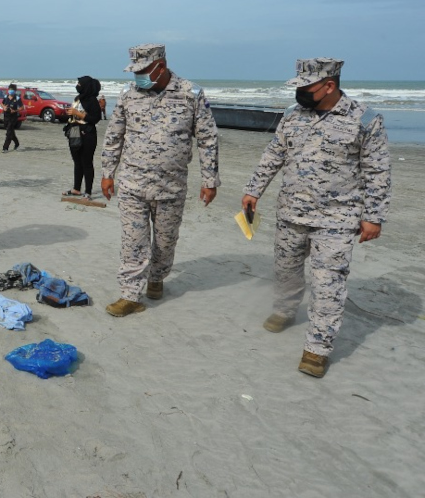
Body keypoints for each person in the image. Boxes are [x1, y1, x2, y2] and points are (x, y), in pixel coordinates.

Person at [241, 58, 391, 378]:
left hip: (337, 219)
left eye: (305, 87)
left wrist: (373, 216)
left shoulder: (364, 120)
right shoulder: (293, 116)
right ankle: (285, 309)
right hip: (291, 212)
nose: (299, 93)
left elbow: (377, 172)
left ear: (329, 86)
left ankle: (317, 348)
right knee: (286, 269)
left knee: (327, 284)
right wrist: (254, 189)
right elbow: (274, 154)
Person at [100, 44, 220, 316]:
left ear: (161, 66)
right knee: (133, 241)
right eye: (135, 71)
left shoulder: (191, 94)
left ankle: (157, 277)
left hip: (171, 186)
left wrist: (210, 179)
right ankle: (130, 294)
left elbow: (207, 139)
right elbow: (114, 136)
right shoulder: (129, 96)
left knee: (165, 241)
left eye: (142, 71)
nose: (137, 77)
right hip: (132, 183)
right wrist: (108, 173)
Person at [63, 76, 103, 197]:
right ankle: (76, 188)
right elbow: (74, 115)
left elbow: (95, 119)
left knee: (87, 162)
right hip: (74, 131)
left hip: (87, 133)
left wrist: (78, 114)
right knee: (77, 162)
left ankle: (88, 191)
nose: (77, 85)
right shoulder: (77, 98)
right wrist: (70, 114)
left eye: (79, 84)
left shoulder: (92, 101)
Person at [2, 83, 22, 152]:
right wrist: (4, 107)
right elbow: (2, 103)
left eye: (12, 90)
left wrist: (15, 110)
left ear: (15, 91)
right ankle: (17, 143)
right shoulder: (6, 97)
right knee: (10, 131)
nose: (11, 91)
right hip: (6, 116)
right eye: (10, 89)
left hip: (13, 117)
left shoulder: (17, 98)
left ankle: (5, 148)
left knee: (8, 133)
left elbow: (22, 107)